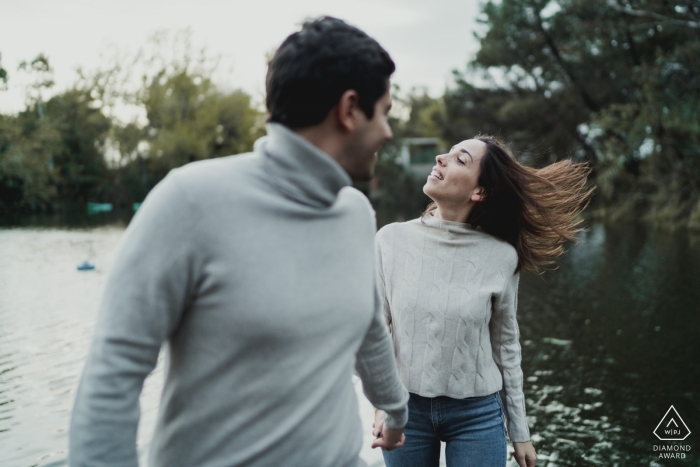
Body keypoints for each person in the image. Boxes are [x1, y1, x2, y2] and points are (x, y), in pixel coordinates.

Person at [69, 17, 409, 467]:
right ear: (349, 110)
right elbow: (113, 373)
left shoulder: (355, 215)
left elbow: (368, 328)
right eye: (383, 111)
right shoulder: (188, 201)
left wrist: (397, 410)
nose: (387, 132)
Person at [373, 136, 593, 467]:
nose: (441, 157)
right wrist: (382, 406)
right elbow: (374, 332)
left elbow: (506, 346)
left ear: (480, 192)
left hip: (476, 415)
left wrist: (520, 431)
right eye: (448, 154)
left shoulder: (501, 257)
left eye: (460, 160)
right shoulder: (390, 240)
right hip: (405, 411)